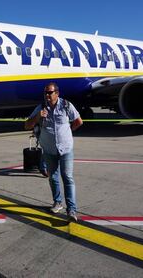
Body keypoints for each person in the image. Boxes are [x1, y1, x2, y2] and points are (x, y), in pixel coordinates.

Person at [25, 83, 83, 222]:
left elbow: (78, 121)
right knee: (53, 178)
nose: (47, 95)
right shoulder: (41, 108)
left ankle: (72, 209)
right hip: (49, 150)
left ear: (57, 93)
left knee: (67, 177)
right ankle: (57, 203)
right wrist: (38, 117)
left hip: (65, 149)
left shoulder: (66, 106)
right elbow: (27, 125)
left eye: (50, 93)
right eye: (45, 93)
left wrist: (67, 132)